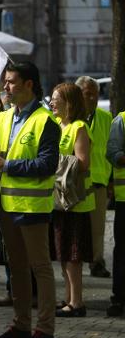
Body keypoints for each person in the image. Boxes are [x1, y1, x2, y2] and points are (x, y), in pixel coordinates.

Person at [0, 62, 59, 338]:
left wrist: (9, 165)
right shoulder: (4, 117)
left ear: (30, 84)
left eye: (12, 82)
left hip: (32, 207)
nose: (6, 86)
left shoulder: (45, 120)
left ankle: (45, 331)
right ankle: (21, 326)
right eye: (5, 81)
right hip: (7, 205)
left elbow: (47, 164)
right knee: (16, 268)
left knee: (40, 268)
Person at [48, 83, 94, 318]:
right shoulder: (56, 125)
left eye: (56, 99)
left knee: (73, 256)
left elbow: (83, 163)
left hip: (75, 203)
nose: (52, 103)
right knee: (64, 254)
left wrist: (53, 162)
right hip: (59, 201)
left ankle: (77, 303)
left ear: (70, 103)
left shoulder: (78, 127)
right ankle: (68, 299)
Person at [75, 76, 112, 278]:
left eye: (95, 95)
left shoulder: (106, 118)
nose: (92, 98)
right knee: (77, 227)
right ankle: (75, 261)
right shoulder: (68, 117)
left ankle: (97, 262)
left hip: (98, 181)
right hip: (76, 182)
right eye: (87, 94)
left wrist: (111, 180)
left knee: (97, 228)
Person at [106, 106, 125, 317]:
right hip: (124, 200)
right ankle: (119, 299)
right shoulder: (122, 120)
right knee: (122, 252)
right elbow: (112, 153)